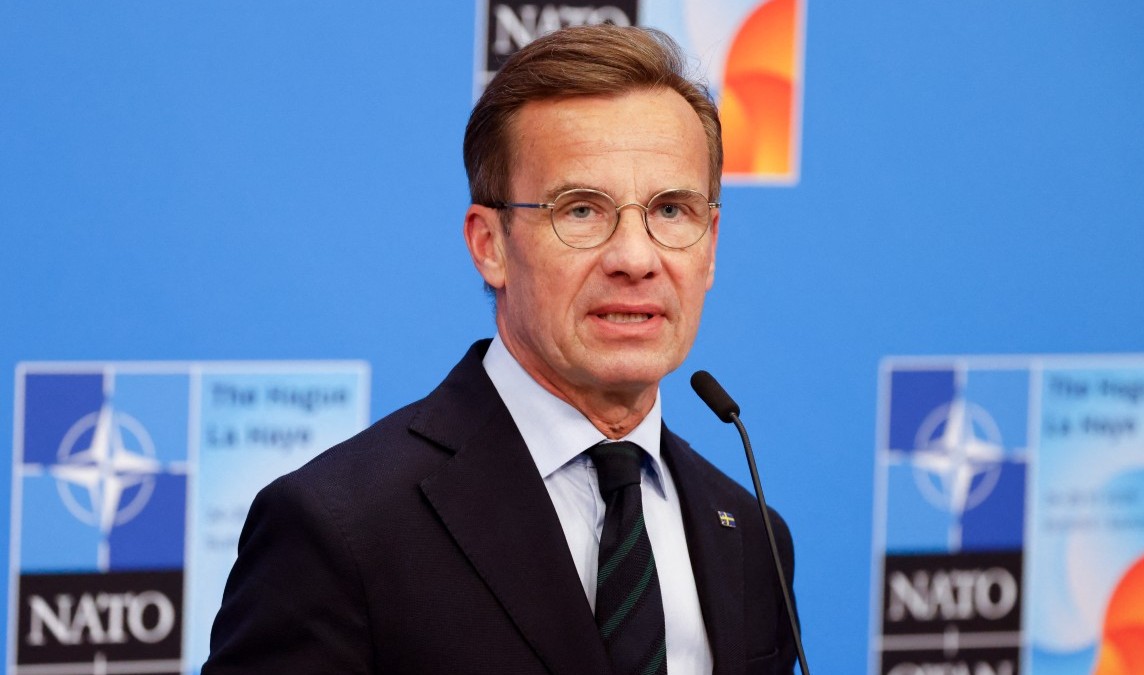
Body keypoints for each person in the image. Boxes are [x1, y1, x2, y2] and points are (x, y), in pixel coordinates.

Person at [203, 24, 799, 675]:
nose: (635, 257)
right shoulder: (340, 528)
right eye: (581, 210)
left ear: (710, 244)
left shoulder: (750, 535)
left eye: (672, 211)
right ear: (490, 244)